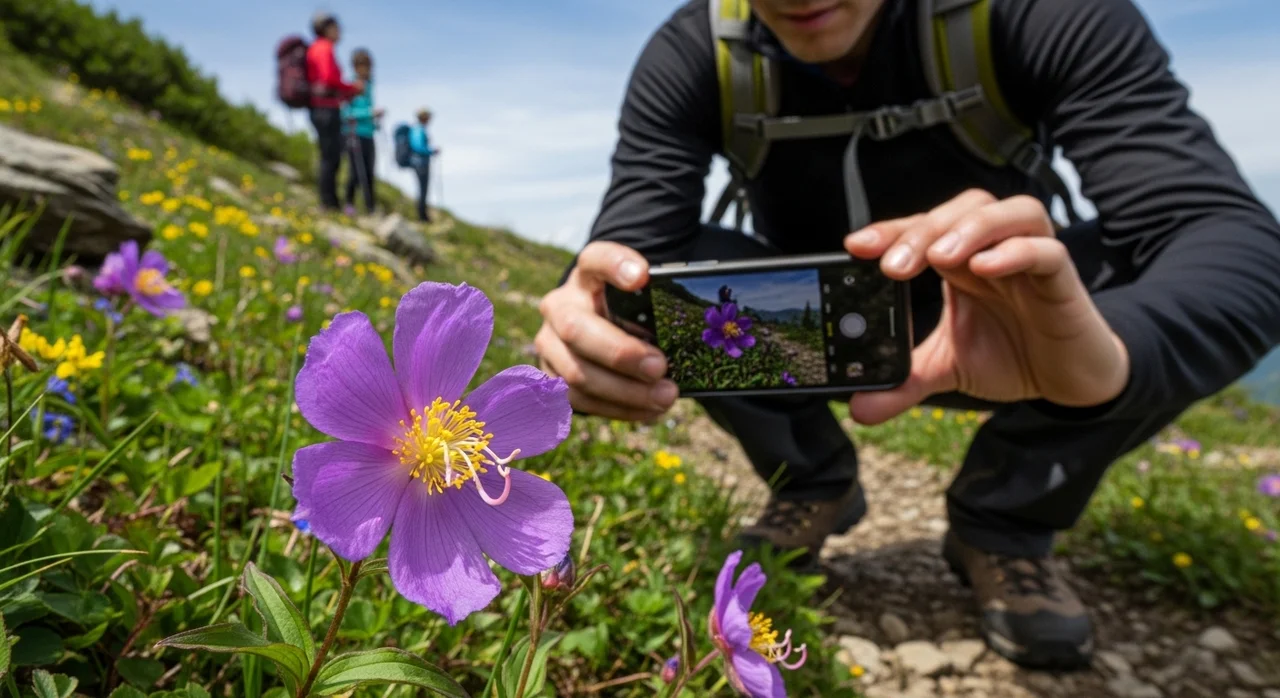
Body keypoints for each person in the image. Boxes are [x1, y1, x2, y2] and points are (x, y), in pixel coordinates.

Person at [534, 0, 1280, 671]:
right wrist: (588, 324)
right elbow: (622, 247)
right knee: (656, 282)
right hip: (814, 336)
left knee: (1159, 281)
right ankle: (814, 479)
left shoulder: (1043, 13)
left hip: (1019, 336)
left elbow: (1231, 241)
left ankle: (1004, 519)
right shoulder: (693, 51)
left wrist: (1111, 353)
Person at [305, 11, 364, 213]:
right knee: (331, 156)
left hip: (322, 107)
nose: (340, 32)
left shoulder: (316, 49)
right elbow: (329, 79)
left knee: (329, 154)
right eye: (337, 27)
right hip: (326, 110)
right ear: (326, 28)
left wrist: (346, 93)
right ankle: (328, 203)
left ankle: (329, 201)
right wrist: (352, 88)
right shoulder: (323, 48)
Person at [340, 48, 384, 216]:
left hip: (368, 133)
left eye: (369, 66)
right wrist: (369, 113)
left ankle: (370, 207)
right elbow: (345, 113)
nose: (367, 69)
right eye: (363, 66)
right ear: (356, 67)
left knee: (370, 171)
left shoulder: (369, 86)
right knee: (355, 172)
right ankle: (349, 204)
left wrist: (375, 121)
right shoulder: (350, 85)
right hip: (353, 133)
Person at [407, 109, 440, 222]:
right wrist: (431, 151)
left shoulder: (419, 129)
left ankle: (423, 215)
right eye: (428, 117)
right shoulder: (418, 130)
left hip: (421, 163)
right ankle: (422, 216)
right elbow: (417, 147)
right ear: (424, 117)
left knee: (423, 189)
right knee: (423, 189)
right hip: (420, 163)